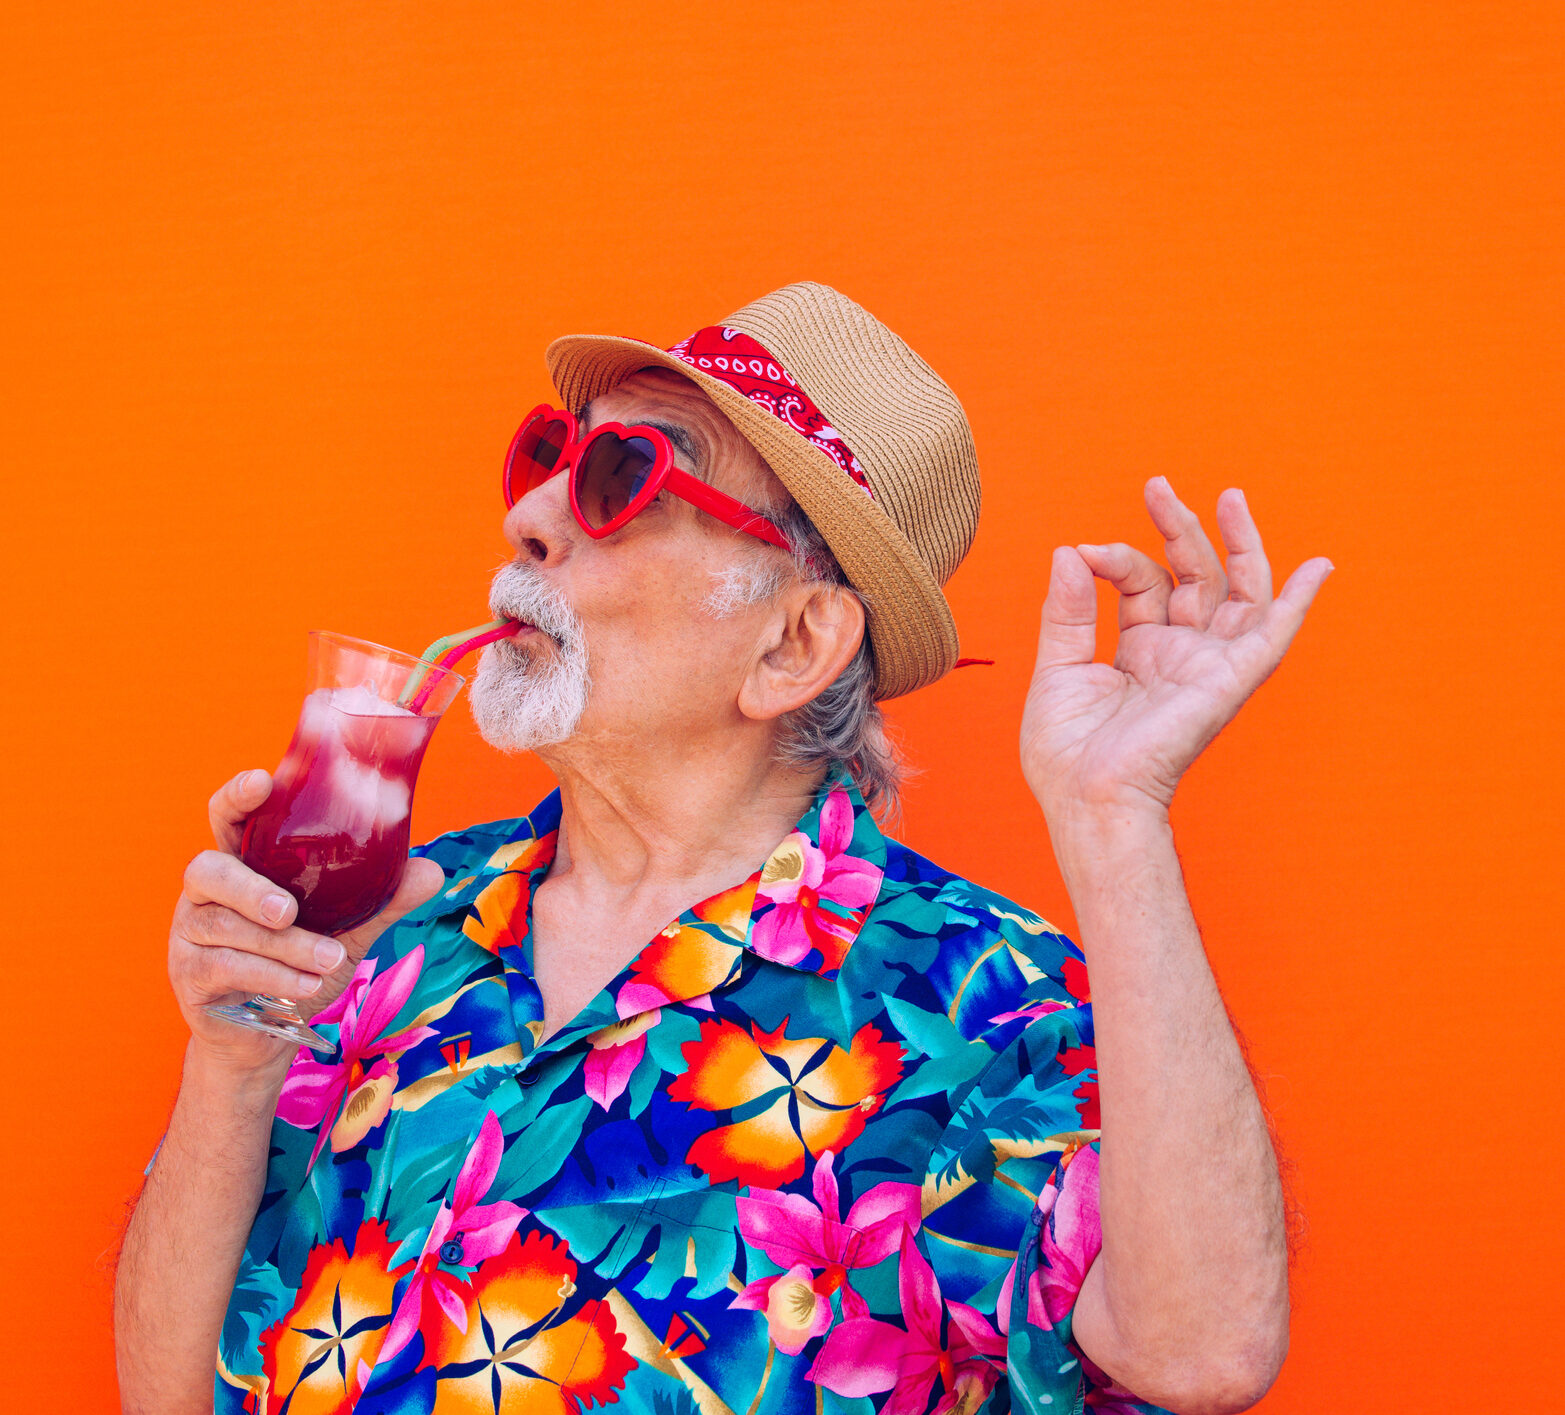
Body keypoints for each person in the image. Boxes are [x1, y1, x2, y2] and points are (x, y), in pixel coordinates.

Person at [115, 282, 1330, 1415]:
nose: (526, 517)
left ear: (791, 644)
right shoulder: (385, 931)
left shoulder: (984, 1003)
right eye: (550, 452)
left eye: (620, 476)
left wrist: (1115, 812)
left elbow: (1204, 1352)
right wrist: (232, 1062)